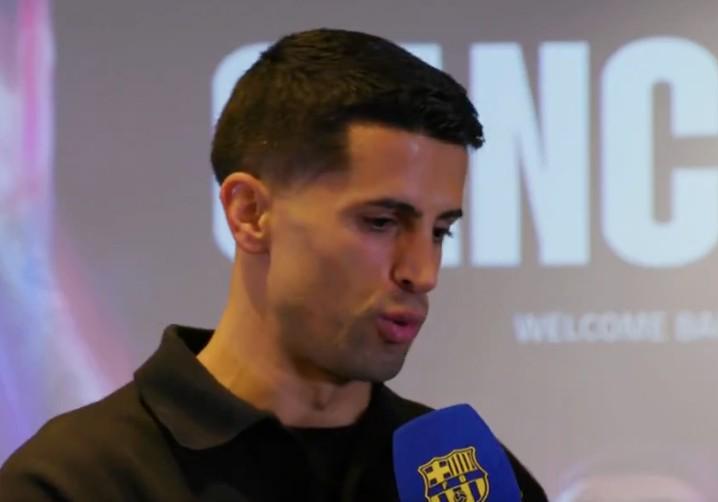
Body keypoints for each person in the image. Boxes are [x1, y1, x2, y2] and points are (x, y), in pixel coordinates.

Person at [0, 28, 547, 501]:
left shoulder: (467, 478)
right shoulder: (75, 482)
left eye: (440, 231)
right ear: (250, 213)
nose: (422, 273)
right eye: (381, 223)